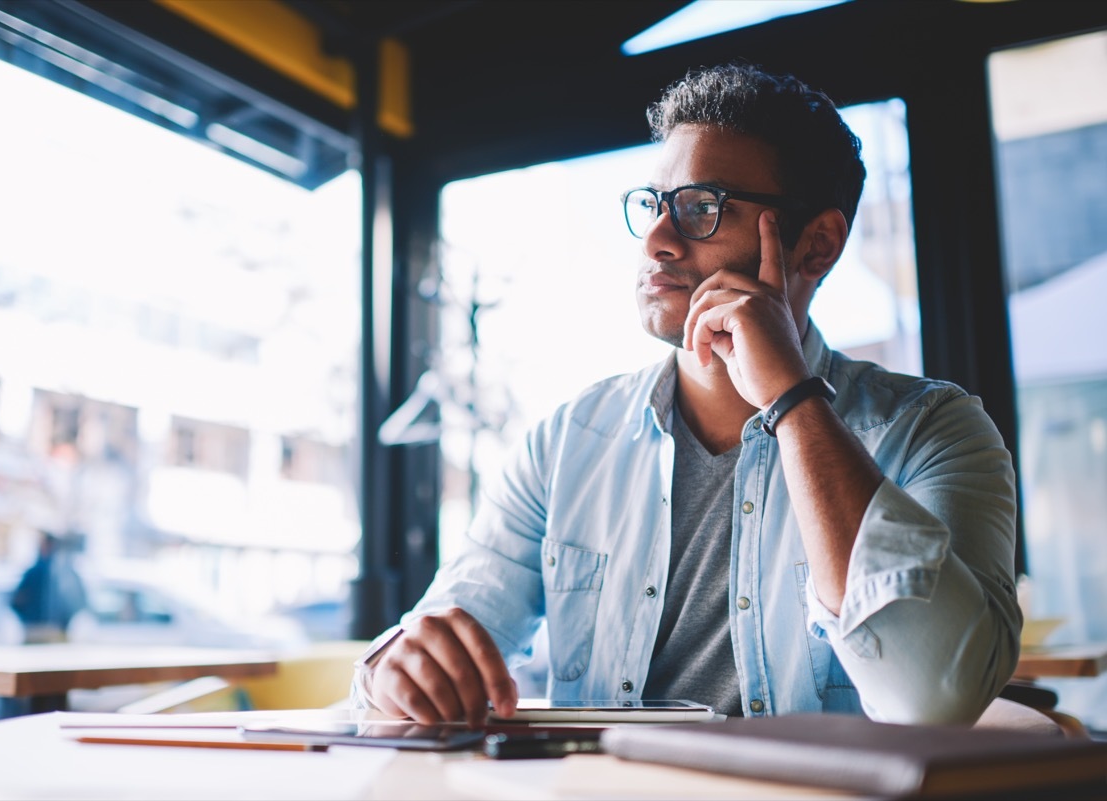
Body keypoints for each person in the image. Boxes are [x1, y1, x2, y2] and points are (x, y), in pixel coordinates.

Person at [352, 62, 1021, 728]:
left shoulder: (936, 430)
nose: (656, 239)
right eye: (652, 204)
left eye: (702, 207)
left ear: (817, 245)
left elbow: (938, 695)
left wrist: (790, 397)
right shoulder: (565, 442)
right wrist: (398, 670)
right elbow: (440, 640)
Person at [10, 531, 88, 644]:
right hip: (50, 631)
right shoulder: (67, 573)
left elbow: (16, 602)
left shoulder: (37, 573)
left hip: (41, 631)